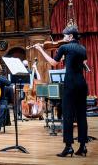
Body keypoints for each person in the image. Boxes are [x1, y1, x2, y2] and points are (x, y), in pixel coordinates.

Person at [35, 25, 88, 157]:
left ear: (70, 37)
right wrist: (68, 59)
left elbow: (53, 63)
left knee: (68, 115)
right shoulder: (83, 48)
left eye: (65, 36)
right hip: (82, 84)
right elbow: (82, 62)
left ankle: (68, 146)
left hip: (70, 84)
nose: (63, 39)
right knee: (81, 115)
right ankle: (82, 146)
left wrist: (41, 50)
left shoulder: (65, 47)